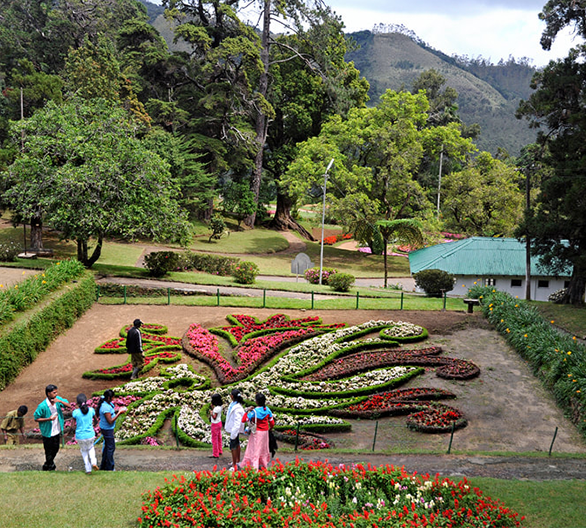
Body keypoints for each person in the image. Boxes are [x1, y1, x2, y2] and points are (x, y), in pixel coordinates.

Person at [34, 384, 70, 471]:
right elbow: (36, 418)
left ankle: (47, 464)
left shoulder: (58, 400)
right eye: (54, 393)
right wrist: (48, 419)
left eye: (56, 392)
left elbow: (69, 405)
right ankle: (50, 466)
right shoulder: (42, 406)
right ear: (48, 393)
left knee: (56, 448)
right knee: (48, 450)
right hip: (47, 432)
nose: (56, 394)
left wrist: (60, 402)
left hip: (56, 430)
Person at [240, 392, 274, 470]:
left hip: (256, 432)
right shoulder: (267, 410)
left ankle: (254, 466)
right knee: (264, 448)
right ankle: (264, 463)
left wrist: (247, 411)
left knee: (255, 449)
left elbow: (244, 420)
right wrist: (270, 428)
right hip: (265, 432)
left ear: (256, 401)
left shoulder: (254, 412)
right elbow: (272, 422)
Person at [97, 389, 126, 471]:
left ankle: (104, 465)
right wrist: (119, 413)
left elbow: (110, 413)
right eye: (113, 397)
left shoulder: (106, 404)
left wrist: (117, 410)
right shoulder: (105, 407)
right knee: (111, 448)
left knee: (107, 447)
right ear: (109, 397)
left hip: (107, 429)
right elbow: (110, 421)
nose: (114, 398)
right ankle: (110, 467)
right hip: (107, 429)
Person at [71, 394, 99, 474]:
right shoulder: (91, 410)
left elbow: (72, 426)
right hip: (90, 435)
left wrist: (69, 433)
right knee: (91, 448)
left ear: (77, 403)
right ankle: (94, 462)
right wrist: (93, 426)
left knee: (84, 451)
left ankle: (88, 469)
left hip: (80, 436)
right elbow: (96, 421)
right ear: (86, 401)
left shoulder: (75, 412)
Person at [223, 388, 245, 471]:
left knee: (233, 447)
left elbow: (237, 422)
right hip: (233, 429)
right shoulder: (234, 404)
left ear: (232, 396)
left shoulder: (237, 408)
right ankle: (237, 461)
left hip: (234, 430)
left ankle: (235, 464)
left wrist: (234, 433)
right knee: (237, 444)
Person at [209, 393, 223, 459]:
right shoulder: (220, 407)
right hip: (219, 423)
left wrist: (211, 413)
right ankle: (220, 450)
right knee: (219, 438)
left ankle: (215, 453)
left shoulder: (216, 409)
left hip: (215, 424)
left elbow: (214, 417)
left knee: (214, 439)